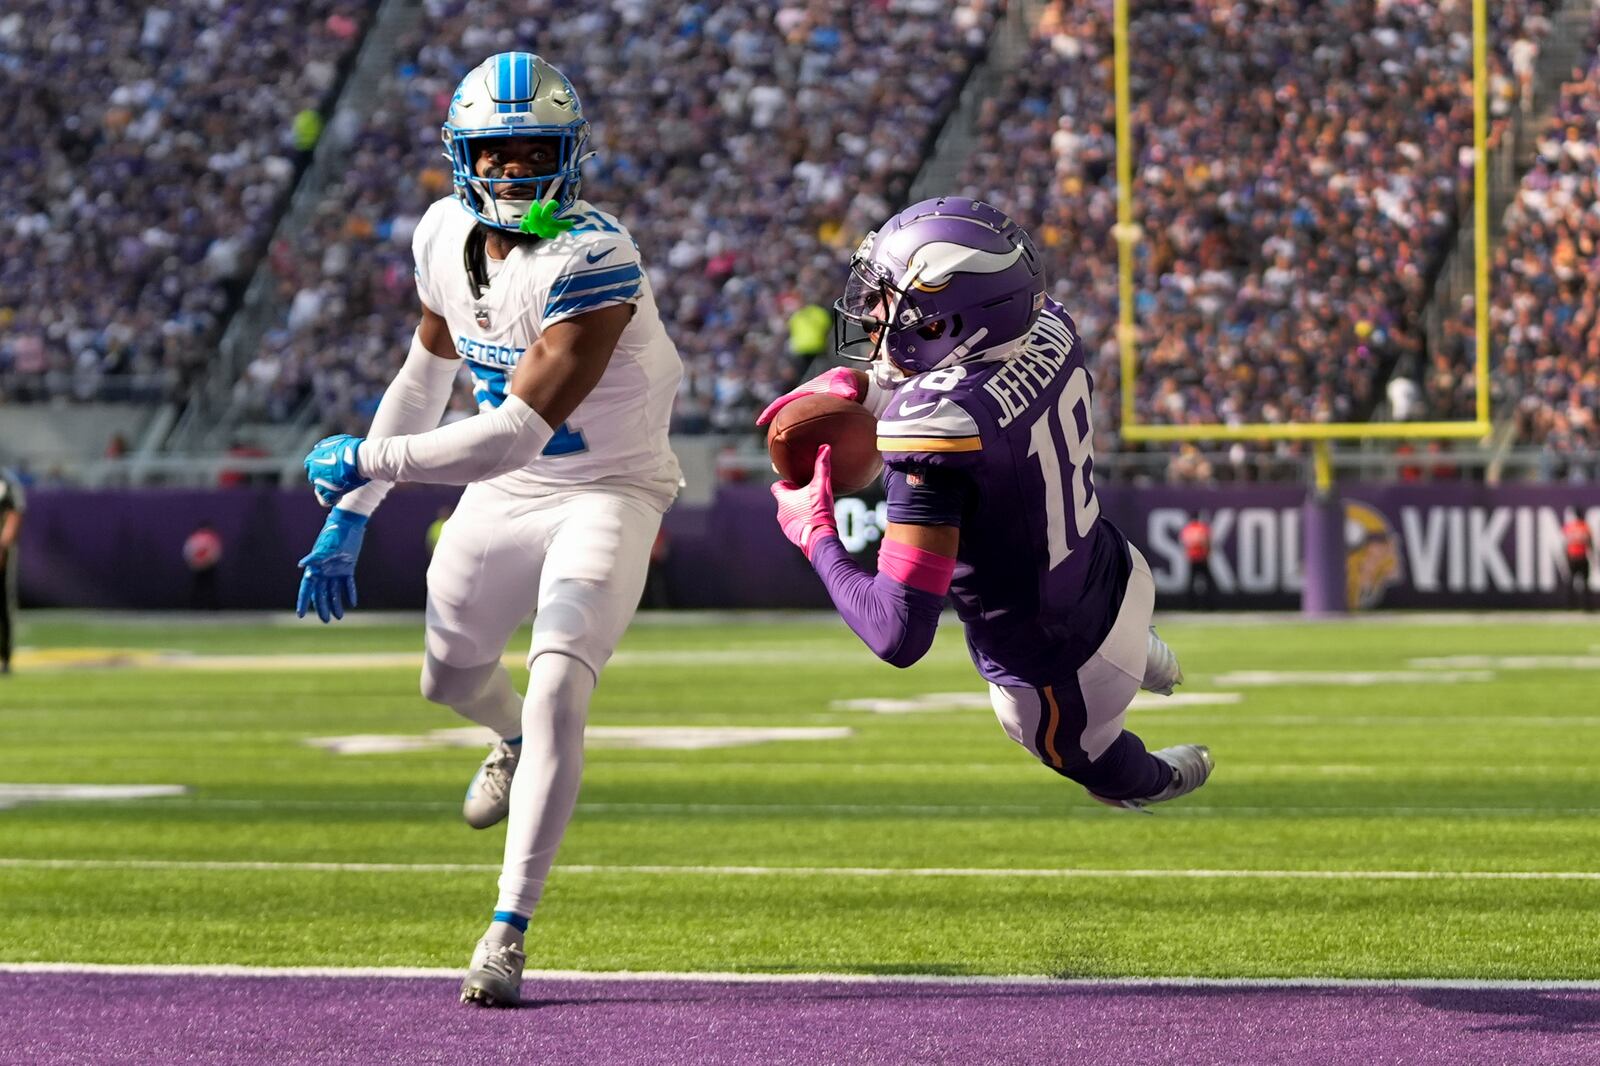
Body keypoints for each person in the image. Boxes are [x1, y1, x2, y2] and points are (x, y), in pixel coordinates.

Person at [294, 52, 682, 1009]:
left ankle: (507, 928)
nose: (513, 173)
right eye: (496, 155)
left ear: (570, 155)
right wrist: (353, 517)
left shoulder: (596, 257)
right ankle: (503, 739)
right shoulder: (441, 234)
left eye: (533, 153)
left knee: (558, 685)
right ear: (462, 158)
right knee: (447, 676)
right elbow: (426, 380)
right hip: (506, 497)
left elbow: (515, 428)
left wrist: (366, 466)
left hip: (608, 489)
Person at [757, 197, 1210, 815]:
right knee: (1109, 633)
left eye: (894, 303)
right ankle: (1150, 657)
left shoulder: (937, 431)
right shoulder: (1047, 321)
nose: (870, 314)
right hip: (1116, 568)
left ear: (949, 319)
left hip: (1059, 665)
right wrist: (864, 385)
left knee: (1088, 763)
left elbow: (898, 633)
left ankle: (1158, 778)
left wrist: (815, 534)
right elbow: (969, 370)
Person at [0, 468, 24, 675]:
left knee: (3, 605)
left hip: (2, 554)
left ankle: (5, 658)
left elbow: (15, 513)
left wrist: (2, 545)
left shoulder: (6, 481)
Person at [182, 521, 223, 611]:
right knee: (200, 588)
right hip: (201, 566)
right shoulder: (202, 538)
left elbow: (214, 551)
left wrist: (204, 562)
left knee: (208, 588)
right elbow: (190, 551)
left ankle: (208, 606)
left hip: (206, 566)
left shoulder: (205, 537)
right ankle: (197, 606)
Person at [1180, 512, 1215, 611]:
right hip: (1202, 558)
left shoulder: (1187, 529)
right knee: (1208, 582)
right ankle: (1208, 605)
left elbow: (1184, 543)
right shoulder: (1202, 528)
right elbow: (1206, 541)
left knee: (1191, 582)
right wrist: (1207, 553)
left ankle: (1190, 605)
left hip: (1192, 558)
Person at [1564, 509, 1594, 612]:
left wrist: (1568, 557)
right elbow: (1590, 543)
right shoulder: (1585, 527)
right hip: (1582, 558)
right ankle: (1586, 607)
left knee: (1571, 582)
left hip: (1572, 558)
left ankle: (1570, 606)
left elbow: (1566, 543)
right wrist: (1593, 556)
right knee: (1585, 583)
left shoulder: (1570, 527)